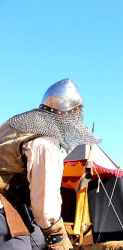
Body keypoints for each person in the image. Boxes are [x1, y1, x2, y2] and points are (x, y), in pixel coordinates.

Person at [0, 78, 101, 250]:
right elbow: (45, 203)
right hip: (4, 210)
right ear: (72, 113)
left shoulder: (13, 124)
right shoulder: (46, 142)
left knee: (37, 240)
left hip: (13, 206)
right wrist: (56, 234)